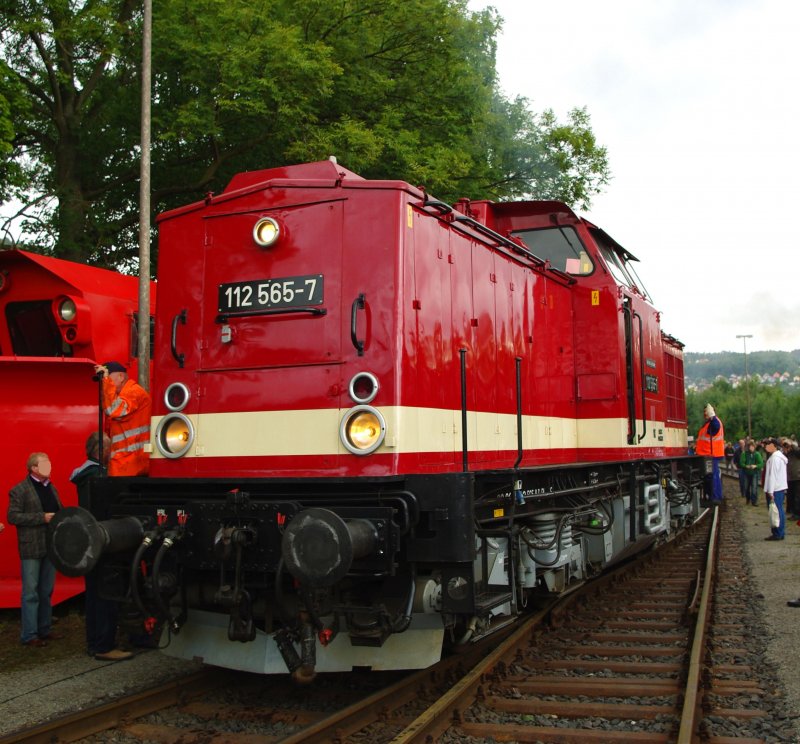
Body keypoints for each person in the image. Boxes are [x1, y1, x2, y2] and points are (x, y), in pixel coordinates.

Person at [70, 432, 133, 661]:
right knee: (106, 593)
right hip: (104, 541)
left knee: (94, 594)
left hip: (90, 541)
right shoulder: (98, 476)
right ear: (98, 450)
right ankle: (104, 645)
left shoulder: (83, 475)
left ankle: (95, 642)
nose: (111, 452)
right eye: (108, 448)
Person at [7, 452, 63, 646]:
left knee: (46, 590)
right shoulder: (19, 490)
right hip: (31, 547)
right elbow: (12, 517)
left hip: (49, 545)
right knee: (31, 592)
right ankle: (29, 635)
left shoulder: (51, 487)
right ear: (34, 468)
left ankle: (44, 629)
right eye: (45, 464)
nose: (50, 467)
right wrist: (42, 517)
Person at [93, 361, 152, 476]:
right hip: (126, 463)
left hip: (131, 463)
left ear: (121, 377)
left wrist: (106, 382)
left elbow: (113, 410)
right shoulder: (122, 395)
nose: (104, 382)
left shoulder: (134, 392)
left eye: (107, 377)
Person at [696, 403, 724, 503]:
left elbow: (715, 426)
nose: (705, 413)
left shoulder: (714, 422)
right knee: (709, 477)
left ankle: (715, 497)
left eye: (706, 411)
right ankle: (711, 496)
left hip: (711, 454)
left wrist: (712, 415)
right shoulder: (707, 424)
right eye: (704, 412)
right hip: (706, 454)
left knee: (713, 476)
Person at [763, 437, 788, 541]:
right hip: (779, 487)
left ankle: (777, 533)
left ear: (773, 446)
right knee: (779, 511)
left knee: (775, 511)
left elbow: (772, 475)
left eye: (768, 445)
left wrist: (770, 490)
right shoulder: (779, 457)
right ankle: (780, 532)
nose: (765, 447)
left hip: (775, 489)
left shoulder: (774, 459)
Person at [740, 441, 763, 506]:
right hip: (746, 473)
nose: (751, 448)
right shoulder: (744, 454)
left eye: (752, 446)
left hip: (754, 473)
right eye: (750, 446)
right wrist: (746, 466)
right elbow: (741, 463)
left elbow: (761, 463)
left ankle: (754, 501)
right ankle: (748, 499)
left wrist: (755, 466)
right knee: (746, 487)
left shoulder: (757, 454)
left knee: (754, 487)